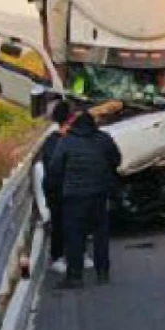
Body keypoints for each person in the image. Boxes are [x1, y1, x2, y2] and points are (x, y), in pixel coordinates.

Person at [48, 110, 122, 288]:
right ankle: (103, 273)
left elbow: (55, 168)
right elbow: (117, 160)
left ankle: (75, 276)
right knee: (100, 235)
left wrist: (56, 191)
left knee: (74, 236)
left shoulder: (66, 141)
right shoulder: (103, 138)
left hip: (74, 196)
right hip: (99, 194)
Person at [38, 100, 93, 273]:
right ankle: (57, 257)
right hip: (59, 191)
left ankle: (80, 253)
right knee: (60, 224)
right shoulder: (53, 143)